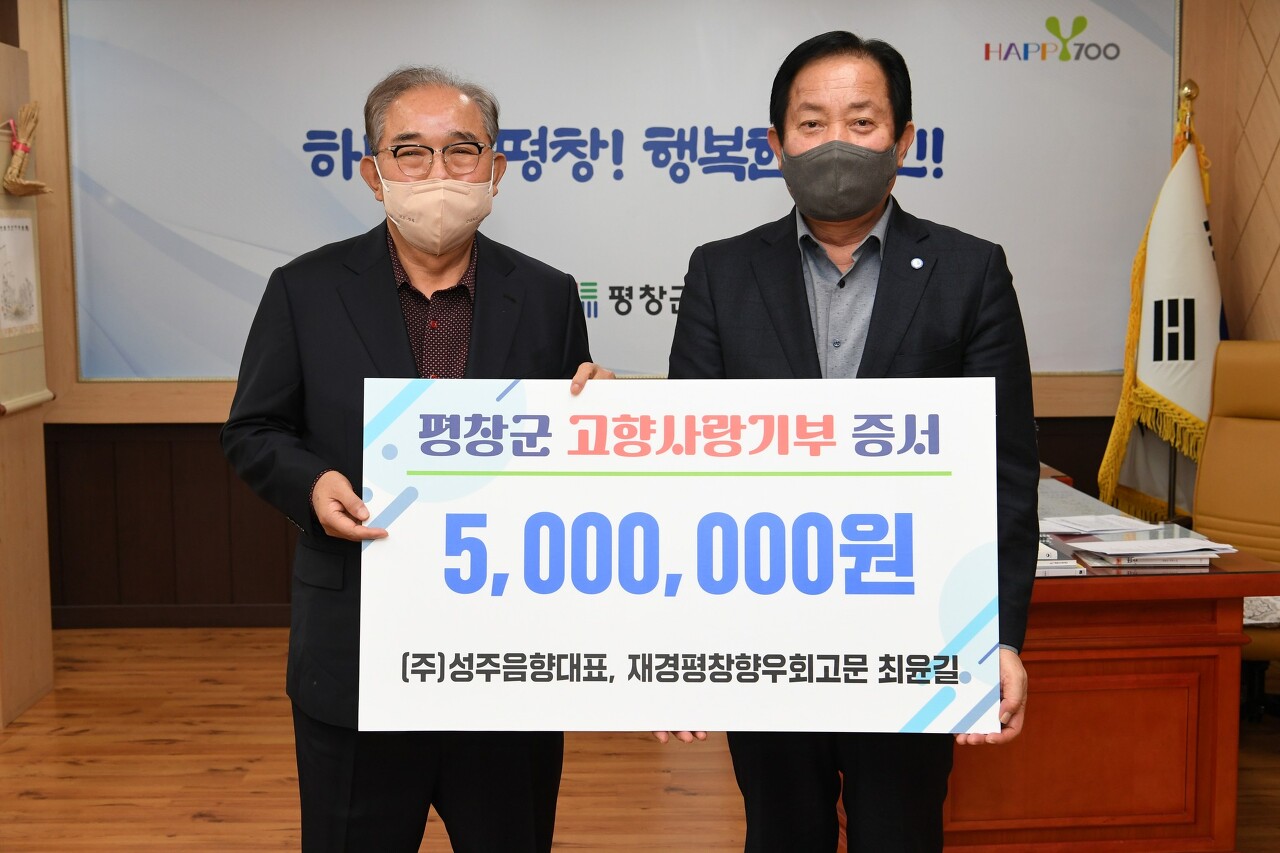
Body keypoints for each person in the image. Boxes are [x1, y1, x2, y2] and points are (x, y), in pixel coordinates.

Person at [663, 31, 1039, 852]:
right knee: (780, 832)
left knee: (901, 834)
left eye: (862, 122)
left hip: (916, 631)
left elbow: (1003, 471)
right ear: (777, 143)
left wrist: (1001, 635)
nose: (836, 142)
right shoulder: (721, 272)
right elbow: (688, 474)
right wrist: (682, 646)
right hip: (764, 632)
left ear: (904, 141)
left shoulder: (970, 270)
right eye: (812, 123)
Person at [221, 66, 612, 853]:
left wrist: (597, 419)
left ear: (496, 168)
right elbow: (254, 429)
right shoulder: (304, 289)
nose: (438, 172)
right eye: (410, 152)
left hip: (505, 655)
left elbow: (563, 458)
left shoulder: (547, 294)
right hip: (357, 653)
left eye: (461, 150)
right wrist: (312, 484)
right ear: (373, 174)